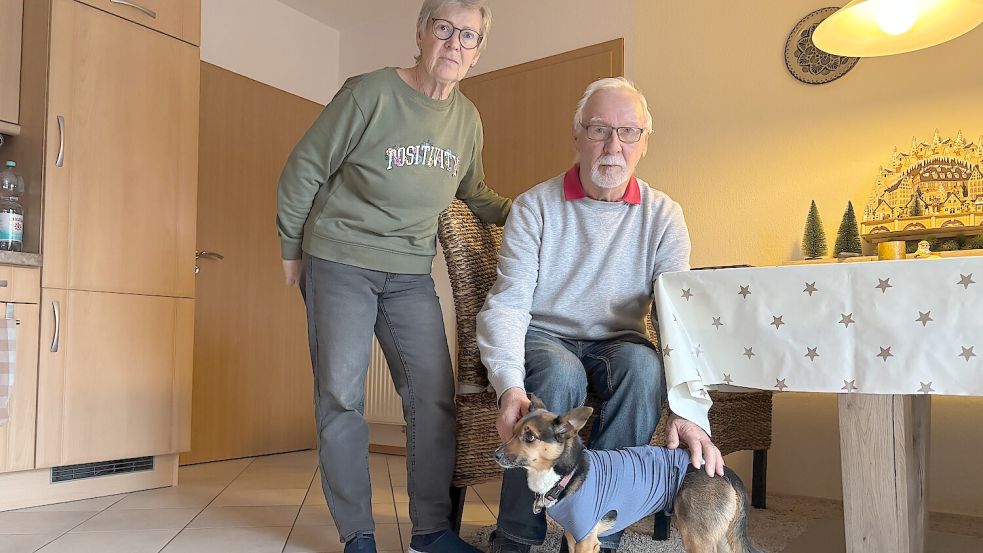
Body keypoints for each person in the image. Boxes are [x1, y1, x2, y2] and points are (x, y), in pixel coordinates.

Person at [275, 2, 510, 552]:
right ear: (423, 33)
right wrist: (292, 250)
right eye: (445, 29)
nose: (454, 43)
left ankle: (431, 533)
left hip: (408, 274)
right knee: (341, 396)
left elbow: (473, 193)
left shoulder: (467, 120)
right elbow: (303, 169)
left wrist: (531, 209)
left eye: (468, 36)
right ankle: (358, 534)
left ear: (477, 53)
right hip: (340, 262)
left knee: (433, 399)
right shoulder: (371, 93)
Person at [476, 77, 724, 553]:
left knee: (643, 367)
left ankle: (599, 531)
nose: (614, 145)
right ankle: (516, 535)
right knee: (561, 372)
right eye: (599, 129)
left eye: (629, 132)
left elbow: (679, 319)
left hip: (620, 339)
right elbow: (507, 304)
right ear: (577, 135)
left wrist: (690, 412)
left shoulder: (664, 215)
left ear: (644, 142)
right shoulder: (534, 208)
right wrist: (508, 386)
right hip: (547, 335)